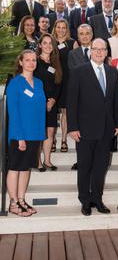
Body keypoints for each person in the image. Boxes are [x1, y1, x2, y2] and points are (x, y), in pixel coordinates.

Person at [67, 38, 118, 216]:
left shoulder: (113, 72)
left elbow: (114, 100)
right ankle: (85, 200)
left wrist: (117, 123)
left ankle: (97, 199)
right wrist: (72, 127)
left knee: (100, 166)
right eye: (95, 49)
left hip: (106, 129)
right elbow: (72, 102)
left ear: (106, 52)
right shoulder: (78, 71)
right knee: (84, 166)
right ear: (90, 51)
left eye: (102, 49)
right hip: (84, 129)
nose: (99, 52)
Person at [6, 50, 46, 216]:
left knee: (26, 168)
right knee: (15, 168)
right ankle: (13, 203)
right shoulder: (15, 83)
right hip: (19, 134)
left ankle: (22, 200)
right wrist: (20, 136)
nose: (31, 63)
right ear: (21, 62)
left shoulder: (38, 82)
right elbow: (13, 112)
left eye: (34, 60)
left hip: (35, 134)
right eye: (27, 60)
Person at [34, 33, 62, 171]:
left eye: (50, 43)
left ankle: (48, 161)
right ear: (40, 45)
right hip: (37, 103)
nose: (48, 46)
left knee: (50, 132)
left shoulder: (55, 62)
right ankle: (38, 162)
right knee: (39, 132)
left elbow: (58, 83)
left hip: (51, 103)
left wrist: (53, 100)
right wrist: (43, 101)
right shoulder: (34, 61)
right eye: (44, 43)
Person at [68, 24, 93, 170]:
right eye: (81, 34)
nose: (84, 36)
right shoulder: (73, 54)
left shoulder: (98, 51)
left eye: (87, 33)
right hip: (80, 98)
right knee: (80, 133)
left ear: (92, 34)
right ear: (78, 36)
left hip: (97, 100)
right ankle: (81, 160)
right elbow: (73, 76)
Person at [52, 19, 78, 152]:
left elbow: (77, 62)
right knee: (53, 111)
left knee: (65, 112)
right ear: (55, 28)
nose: (61, 30)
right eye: (59, 27)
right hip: (53, 80)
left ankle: (63, 140)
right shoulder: (50, 41)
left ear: (67, 29)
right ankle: (52, 139)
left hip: (68, 80)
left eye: (64, 27)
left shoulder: (72, 42)